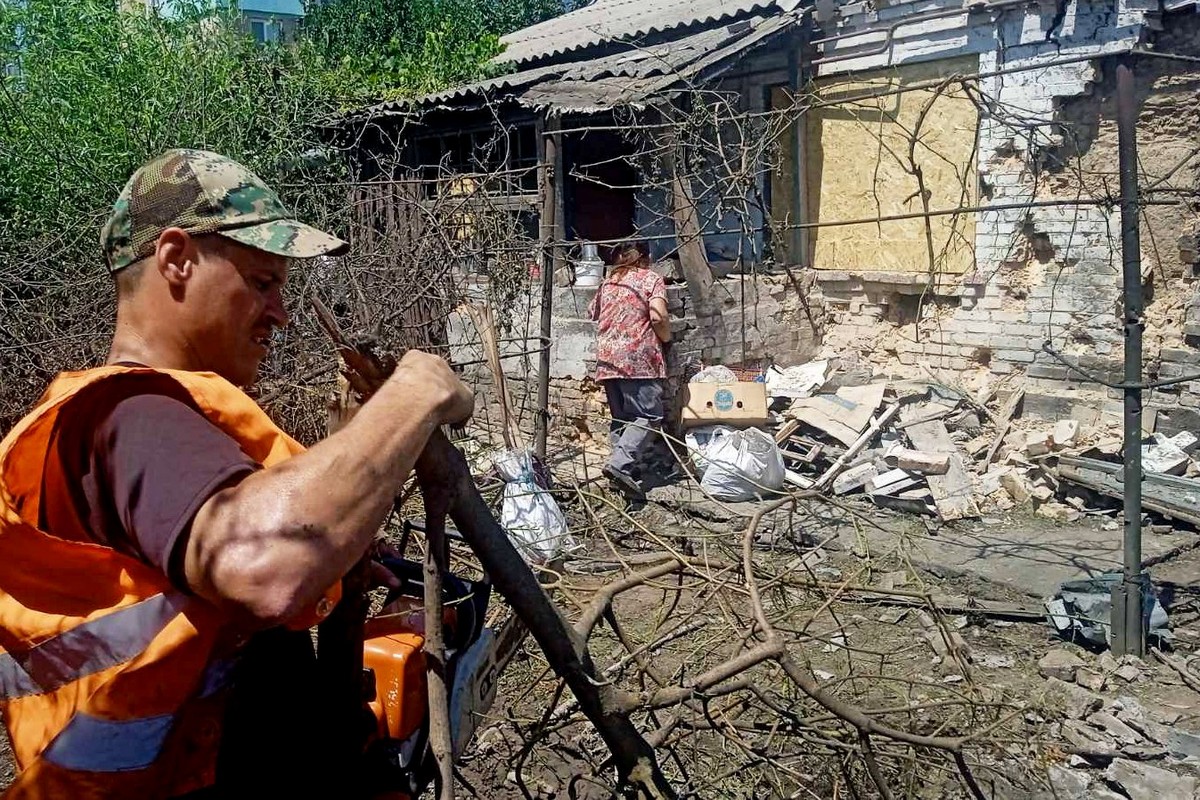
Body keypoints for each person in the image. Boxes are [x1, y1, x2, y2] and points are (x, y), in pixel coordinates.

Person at [0, 149, 474, 799]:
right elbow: (267, 567)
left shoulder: (147, 423)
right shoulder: (132, 415)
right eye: (260, 281)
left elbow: (203, 604)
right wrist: (414, 392)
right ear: (175, 260)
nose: (280, 311)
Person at [588, 243, 671, 497]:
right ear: (646, 258)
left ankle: (622, 472)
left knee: (622, 418)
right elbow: (658, 317)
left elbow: (593, 313)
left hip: (609, 359)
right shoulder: (651, 279)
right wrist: (666, 339)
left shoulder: (609, 283)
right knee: (649, 417)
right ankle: (619, 465)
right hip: (638, 360)